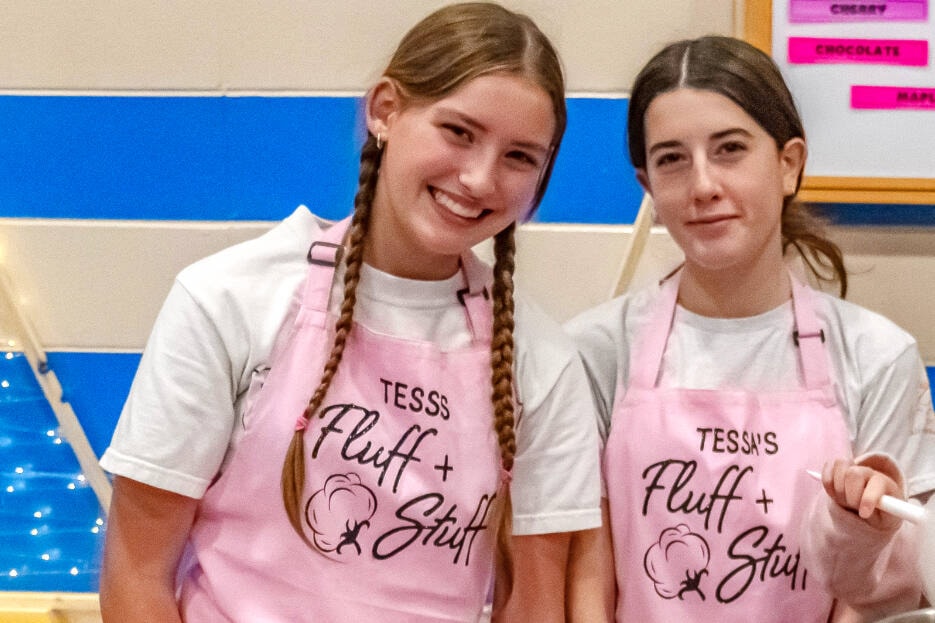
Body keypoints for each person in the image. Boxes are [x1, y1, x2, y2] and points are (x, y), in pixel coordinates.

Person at [98, 3, 602, 621]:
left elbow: (535, 603)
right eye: (459, 132)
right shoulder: (227, 301)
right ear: (386, 109)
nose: (478, 177)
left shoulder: (543, 360)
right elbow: (136, 572)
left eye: (520, 156)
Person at [564, 35, 935, 623]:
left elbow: (878, 595)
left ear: (788, 164)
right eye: (672, 159)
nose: (703, 184)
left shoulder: (879, 356)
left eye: (730, 149)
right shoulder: (593, 352)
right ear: (648, 187)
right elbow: (587, 575)